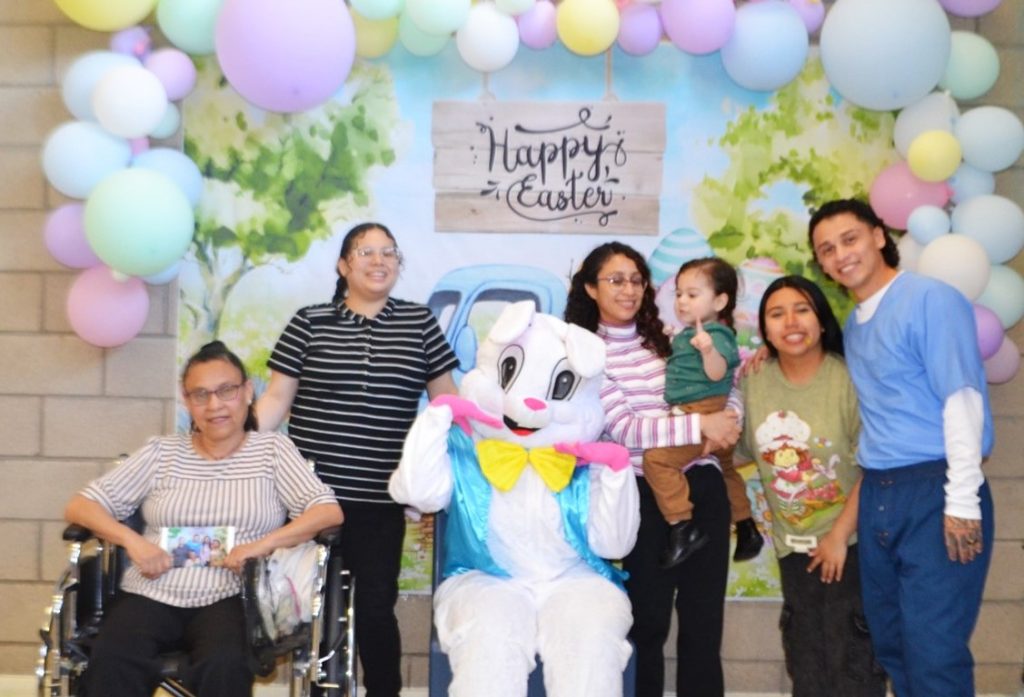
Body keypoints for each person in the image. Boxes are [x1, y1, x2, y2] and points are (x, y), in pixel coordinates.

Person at [64, 341, 343, 697]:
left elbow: (327, 510)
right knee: (114, 659)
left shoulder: (272, 451)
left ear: (247, 392)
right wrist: (131, 541)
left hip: (233, 594)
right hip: (152, 589)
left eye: (226, 391)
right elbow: (81, 505)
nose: (214, 405)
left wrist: (260, 546)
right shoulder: (161, 451)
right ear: (187, 401)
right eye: (200, 395)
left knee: (224, 663)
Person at [257, 222, 459, 697]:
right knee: (303, 604)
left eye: (388, 251)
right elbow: (274, 404)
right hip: (310, 498)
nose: (378, 260)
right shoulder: (309, 321)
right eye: (365, 251)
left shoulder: (419, 324)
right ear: (343, 265)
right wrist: (225, 440)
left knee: (374, 608)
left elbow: (448, 405)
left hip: (379, 500)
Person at [808, 199, 995, 697]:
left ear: (876, 235)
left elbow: (962, 400)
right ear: (822, 264)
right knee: (893, 646)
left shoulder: (931, 298)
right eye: (827, 250)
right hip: (880, 496)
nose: (841, 255)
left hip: (936, 490)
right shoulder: (853, 325)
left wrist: (961, 502)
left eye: (849, 239)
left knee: (935, 655)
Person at [564, 241, 741, 697]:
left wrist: (729, 417)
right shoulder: (585, 355)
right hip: (641, 493)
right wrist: (701, 424)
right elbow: (624, 429)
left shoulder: (670, 338)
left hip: (701, 484)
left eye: (637, 280)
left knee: (704, 626)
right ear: (590, 287)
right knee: (647, 624)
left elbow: (722, 384)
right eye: (615, 280)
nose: (629, 289)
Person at [738, 275, 885, 696]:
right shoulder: (753, 381)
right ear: (765, 329)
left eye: (802, 309)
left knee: (853, 664)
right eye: (776, 314)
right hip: (794, 549)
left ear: (821, 320)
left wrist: (839, 537)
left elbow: (874, 464)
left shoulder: (848, 379)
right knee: (807, 665)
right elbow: (740, 449)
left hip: (852, 546)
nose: (791, 322)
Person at [642, 257, 763, 568]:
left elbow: (717, 372)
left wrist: (708, 351)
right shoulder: (692, 333)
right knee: (725, 469)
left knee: (656, 461)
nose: (682, 301)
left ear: (720, 300)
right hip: (709, 409)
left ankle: (682, 526)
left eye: (692, 295)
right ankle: (747, 527)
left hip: (702, 412)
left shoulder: (717, 336)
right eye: (679, 294)